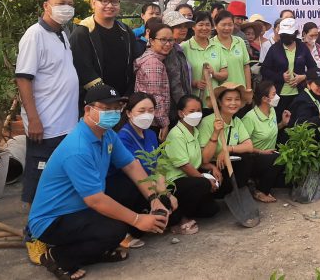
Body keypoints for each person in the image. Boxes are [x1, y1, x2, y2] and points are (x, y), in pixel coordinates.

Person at [28, 85, 173, 280]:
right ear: (88, 110)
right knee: (117, 229)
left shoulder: (107, 134)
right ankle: (58, 257)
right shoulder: (78, 148)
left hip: (81, 207)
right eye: (107, 109)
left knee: (130, 190)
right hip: (54, 219)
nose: (113, 113)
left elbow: (131, 165)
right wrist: (138, 220)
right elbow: (95, 200)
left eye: (116, 108)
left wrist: (154, 198)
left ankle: (95, 249)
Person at [15, 0, 79, 204]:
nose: (67, 8)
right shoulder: (34, 35)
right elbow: (24, 78)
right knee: (40, 180)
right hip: (46, 125)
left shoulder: (62, 33)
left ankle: (55, 225)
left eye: (70, 4)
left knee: (59, 180)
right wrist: (33, 119)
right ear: (46, 6)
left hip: (66, 123)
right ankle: (34, 232)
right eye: (61, 3)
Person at [104, 92, 162, 249]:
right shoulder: (122, 137)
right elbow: (134, 168)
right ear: (129, 113)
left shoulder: (151, 134)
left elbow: (156, 166)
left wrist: (165, 194)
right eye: (141, 111)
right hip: (124, 186)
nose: (147, 115)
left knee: (170, 208)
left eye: (151, 110)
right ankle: (123, 230)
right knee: (129, 185)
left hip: (147, 184)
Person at [69, 0, 138, 107]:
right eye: (104, 1)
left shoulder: (126, 32)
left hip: (124, 100)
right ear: (93, 3)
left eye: (114, 2)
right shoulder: (83, 33)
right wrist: (109, 97)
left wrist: (128, 95)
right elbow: (84, 71)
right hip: (96, 103)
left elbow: (135, 63)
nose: (110, 6)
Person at [162, 95, 221, 235]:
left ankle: (188, 209)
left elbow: (199, 160)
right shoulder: (176, 134)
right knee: (203, 184)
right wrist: (205, 179)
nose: (196, 114)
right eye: (192, 110)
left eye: (199, 110)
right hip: (175, 182)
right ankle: (180, 218)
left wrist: (212, 168)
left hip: (190, 178)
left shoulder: (195, 131)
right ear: (181, 113)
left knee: (212, 210)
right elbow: (185, 166)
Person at [198, 83, 257, 203]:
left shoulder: (237, 121)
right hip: (212, 167)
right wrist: (215, 133)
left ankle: (237, 193)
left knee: (248, 158)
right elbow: (204, 159)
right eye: (228, 99)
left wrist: (227, 149)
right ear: (219, 102)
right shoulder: (207, 122)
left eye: (237, 99)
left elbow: (249, 146)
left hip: (228, 162)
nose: (233, 103)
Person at [242, 80, 291, 202]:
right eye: (274, 94)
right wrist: (261, 152)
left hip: (269, 155)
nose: (277, 96)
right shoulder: (250, 117)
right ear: (264, 98)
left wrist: (282, 124)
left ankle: (258, 182)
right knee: (279, 158)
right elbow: (242, 146)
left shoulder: (272, 111)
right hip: (253, 157)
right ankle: (261, 191)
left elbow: (269, 131)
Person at [261, 18, 317, 120]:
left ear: (295, 33)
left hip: (299, 95)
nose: (286, 37)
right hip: (279, 96)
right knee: (280, 123)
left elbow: (313, 68)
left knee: (298, 122)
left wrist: (303, 77)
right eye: (284, 35)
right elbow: (264, 70)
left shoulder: (302, 48)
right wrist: (280, 77)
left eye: (289, 35)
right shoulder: (274, 49)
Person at [134, 23, 173, 141]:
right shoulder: (153, 63)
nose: (168, 44)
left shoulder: (154, 58)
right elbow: (155, 97)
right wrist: (164, 124)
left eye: (171, 40)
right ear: (151, 40)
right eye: (163, 40)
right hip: (153, 122)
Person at [181, 11, 228, 108]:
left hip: (214, 102)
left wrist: (214, 73)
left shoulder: (217, 47)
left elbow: (225, 74)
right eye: (200, 24)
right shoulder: (184, 47)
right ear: (193, 26)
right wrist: (194, 83)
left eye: (208, 25)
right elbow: (179, 77)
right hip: (193, 103)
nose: (204, 28)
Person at [162, 10, 194, 118]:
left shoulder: (177, 48)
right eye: (179, 26)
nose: (184, 29)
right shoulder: (170, 50)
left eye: (185, 26)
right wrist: (184, 107)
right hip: (175, 109)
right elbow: (175, 83)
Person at [211, 10, 252, 90]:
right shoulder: (211, 44)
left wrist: (248, 88)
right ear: (215, 26)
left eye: (230, 25)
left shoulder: (240, 41)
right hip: (220, 93)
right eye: (223, 25)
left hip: (240, 90)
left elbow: (246, 67)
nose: (227, 28)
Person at [287, 68, 320, 133]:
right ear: (308, 84)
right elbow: (301, 125)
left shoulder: (317, 96)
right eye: (318, 84)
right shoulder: (302, 101)